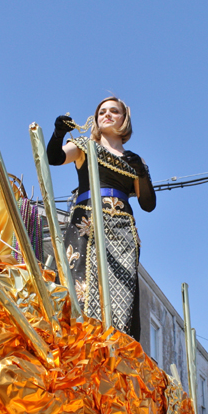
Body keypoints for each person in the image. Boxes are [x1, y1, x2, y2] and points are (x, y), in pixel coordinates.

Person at [47, 97, 156, 341]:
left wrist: (140, 171)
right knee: (79, 283)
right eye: (102, 112)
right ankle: (75, 341)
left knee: (122, 291)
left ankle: (115, 346)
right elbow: (53, 158)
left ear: (124, 118)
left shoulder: (135, 160)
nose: (106, 115)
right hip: (87, 222)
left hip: (122, 231)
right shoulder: (83, 146)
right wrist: (57, 133)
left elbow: (148, 204)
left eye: (114, 111)